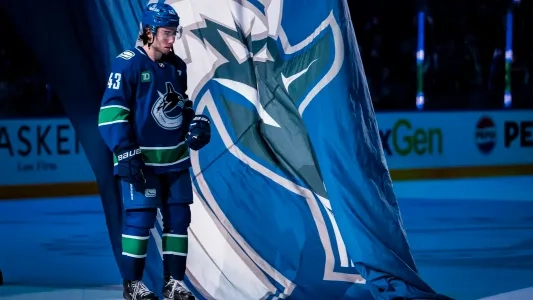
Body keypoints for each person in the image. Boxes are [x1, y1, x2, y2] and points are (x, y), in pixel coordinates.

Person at [98, 3, 211, 300]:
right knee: (140, 220)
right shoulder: (128, 63)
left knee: (178, 219)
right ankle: (132, 285)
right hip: (142, 160)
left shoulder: (176, 66)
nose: (171, 39)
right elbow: (111, 113)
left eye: (174, 32)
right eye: (166, 33)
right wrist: (125, 152)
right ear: (148, 31)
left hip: (174, 159)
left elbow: (180, 104)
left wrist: (194, 122)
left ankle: (173, 283)